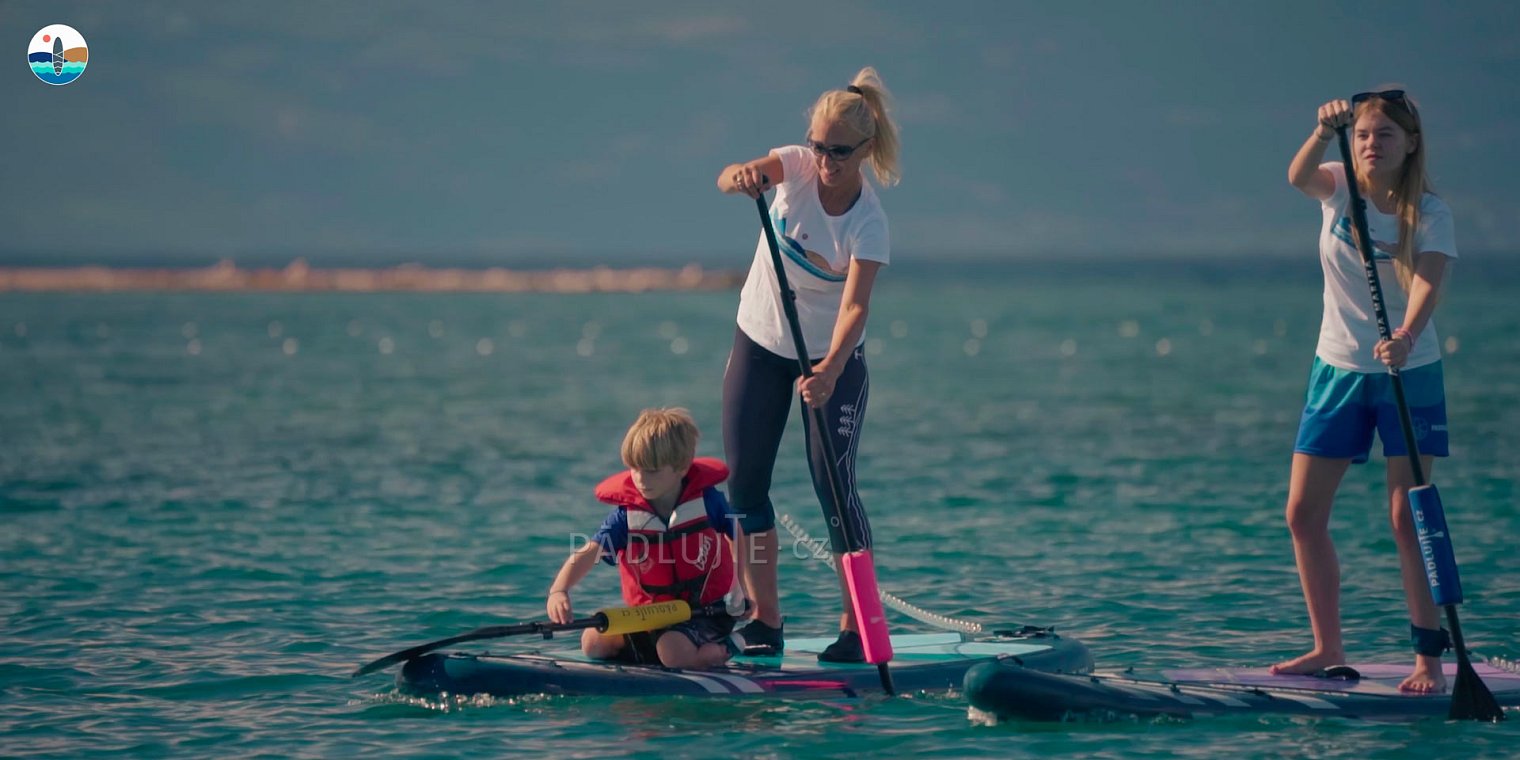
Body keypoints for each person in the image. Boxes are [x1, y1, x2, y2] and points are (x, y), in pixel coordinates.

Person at [714, 67, 901, 663]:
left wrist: (828, 372)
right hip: (760, 343)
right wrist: (741, 177)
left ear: (864, 151)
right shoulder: (793, 165)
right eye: (818, 146)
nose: (825, 160)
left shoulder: (869, 223)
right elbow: (729, 178)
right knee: (744, 487)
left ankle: (857, 628)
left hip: (832, 359)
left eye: (838, 152)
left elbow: (855, 308)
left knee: (835, 491)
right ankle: (764, 620)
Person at [1274, 88, 1457, 693]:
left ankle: (1428, 658)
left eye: (1383, 136)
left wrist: (1406, 334)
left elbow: (1428, 283)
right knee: (1302, 514)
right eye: (1363, 136)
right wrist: (1325, 131)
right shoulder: (1336, 184)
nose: (1371, 145)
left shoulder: (1429, 212)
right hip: (1338, 369)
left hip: (1408, 370)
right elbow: (1297, 176)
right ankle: (1326, 647)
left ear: (1410, 144)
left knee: (1408, 517)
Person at [545, 408, 742, 669]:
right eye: (635, 468)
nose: (640, 479)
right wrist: (559, 590)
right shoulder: (626, 517)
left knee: (672, 651)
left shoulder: (709, 502)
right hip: (651, 616)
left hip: (706, 614)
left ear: (681, 468)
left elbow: (743, 541)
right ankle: (653, 654)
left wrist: (743, 590)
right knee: (593, 642)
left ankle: (725, 648)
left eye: (652, 471)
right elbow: (590, 551)